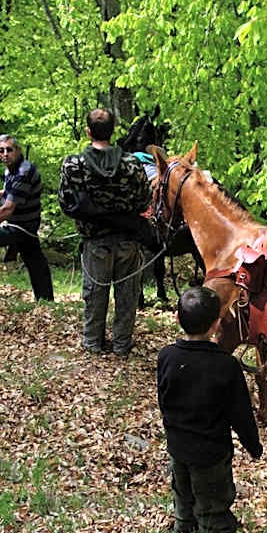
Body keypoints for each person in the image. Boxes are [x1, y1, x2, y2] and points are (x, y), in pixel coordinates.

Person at [156, 286, 263, 533]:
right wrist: (253, 445)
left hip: (178, 444)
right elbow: (240, 413)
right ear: (216, 324)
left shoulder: (167, 356)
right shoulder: (225, 365)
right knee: (214, 497)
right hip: (212, 451)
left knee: (183, 490)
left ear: (178, 319)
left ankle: (184, 525)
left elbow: (164, 398)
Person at [58, 108, 151, 356]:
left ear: (88, 131)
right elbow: (144, 201)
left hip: (95, 242)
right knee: (127, 295)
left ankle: (92, 344)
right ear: (113, 131)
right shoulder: (132, 164)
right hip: (128, 241)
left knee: (95, 293)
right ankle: (121, 345)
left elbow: (67, 203)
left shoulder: (73, 164)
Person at [0, 134, 54, 301]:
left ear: (18, 150)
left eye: (9, 150)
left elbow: (7, 209)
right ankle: (46, 301)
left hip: (22, 227)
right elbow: (14, 191)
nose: (5, 154)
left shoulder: (24, 171)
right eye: (1, 151)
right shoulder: (11, 168)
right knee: (35, 259)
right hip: (21, 225)